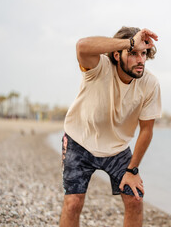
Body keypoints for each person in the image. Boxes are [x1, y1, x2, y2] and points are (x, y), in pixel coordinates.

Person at [59, 27, 161, 227]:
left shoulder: (150, 84)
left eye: (143, 53)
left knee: (135, 199)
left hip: (117, 149)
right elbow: (82, 46)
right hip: (79, 141)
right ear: (117, 54)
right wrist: (129, 42)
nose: (140, 60)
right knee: (73, 203)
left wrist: (133, 170)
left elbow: (147, 130)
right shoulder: (98, 67)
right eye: (133, 53)